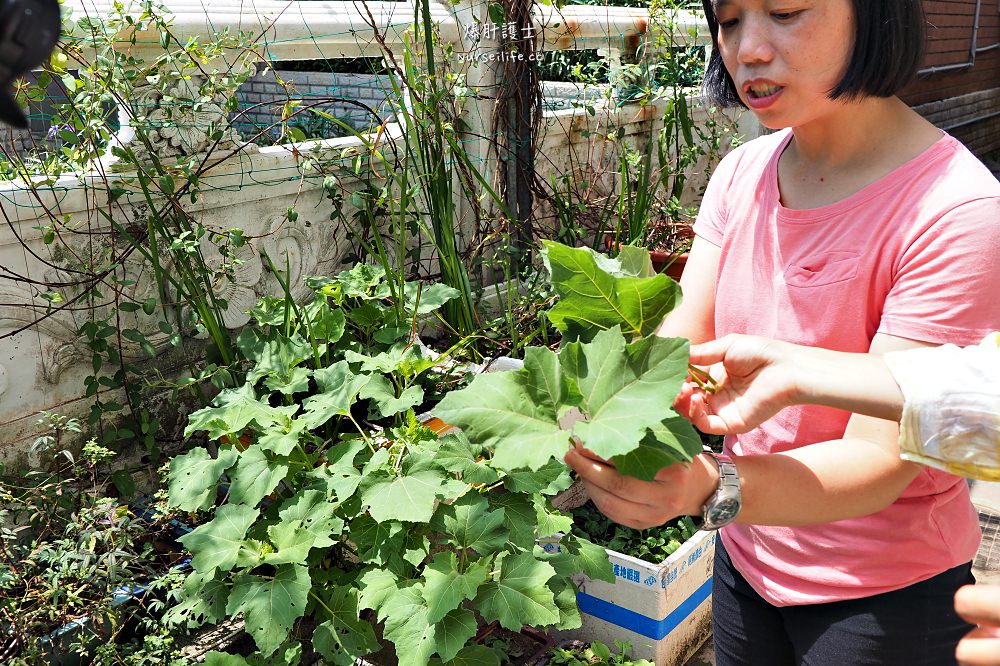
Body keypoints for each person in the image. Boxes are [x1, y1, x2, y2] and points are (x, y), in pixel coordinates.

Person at [562, 0, 1000, 664]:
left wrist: (708, 486)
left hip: (883, 595)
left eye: (787, 11)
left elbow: (879, 465)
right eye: (731, 21)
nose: (748, 50)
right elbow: (685, 340)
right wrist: (615, 405)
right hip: (746, 555)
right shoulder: (742, 173)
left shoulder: (956, 211)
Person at [680, 333, 1000, 666]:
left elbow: (895, 442)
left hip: (885, 584)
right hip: (746, 557)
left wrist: (714, 484)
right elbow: (966, 390)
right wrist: (790, 370)